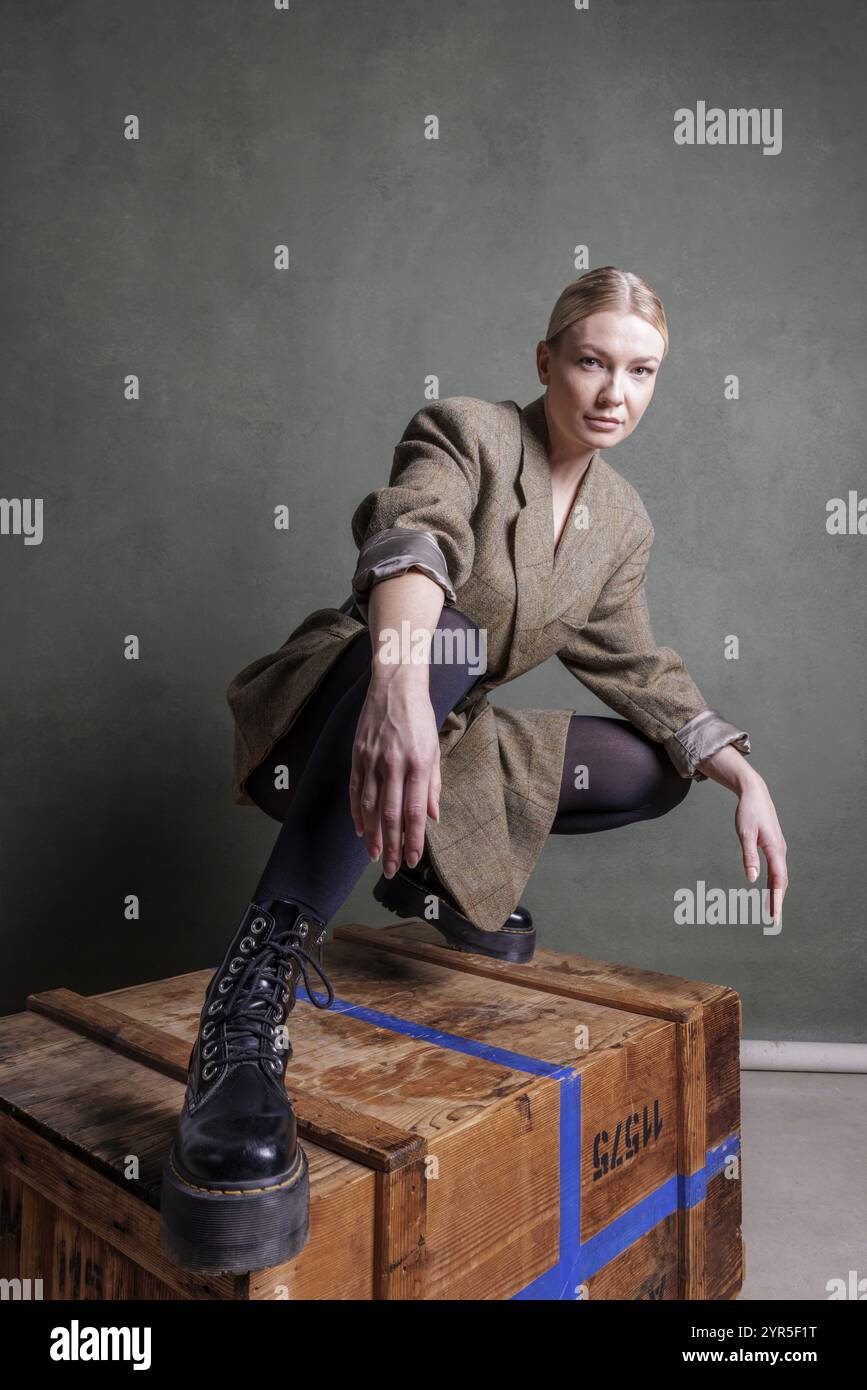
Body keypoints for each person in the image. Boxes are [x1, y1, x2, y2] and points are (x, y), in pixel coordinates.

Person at [160, 266, 789, 1275]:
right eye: (590, 361)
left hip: (448, 739)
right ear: (547, 362)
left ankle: (424, 869)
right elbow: (411, 539)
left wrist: (743, 776)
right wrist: (402, 689)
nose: (614, 391)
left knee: (654, 766)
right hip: (350, 700)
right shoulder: (468, 430)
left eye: (641, 370)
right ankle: (244, 1009)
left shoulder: (623, 522)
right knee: (441, 648)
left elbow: (636, 666)